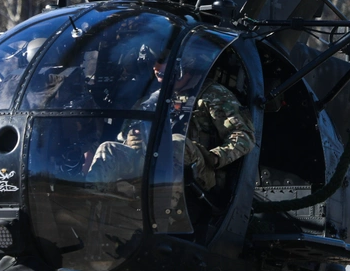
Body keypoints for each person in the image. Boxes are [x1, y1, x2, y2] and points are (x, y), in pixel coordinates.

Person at [88, 51, 255, 194]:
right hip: (150, 162)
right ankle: (89, 204)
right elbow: (124, 134)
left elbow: (244, 136)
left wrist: (215, 157)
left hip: (197, 170)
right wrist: (130, 139)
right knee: (108, 149)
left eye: (163, 63)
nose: (156, 68)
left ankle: (166, 213)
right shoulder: (153, 99)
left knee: (176, 143)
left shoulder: (213, 95)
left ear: (184, 68)